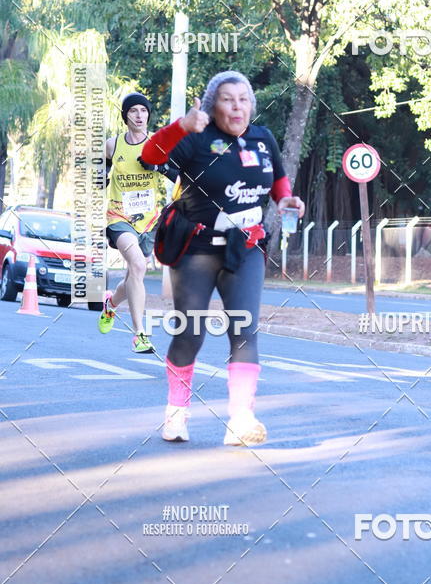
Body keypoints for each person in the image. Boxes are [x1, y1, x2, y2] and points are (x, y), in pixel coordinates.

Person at [140, 71, 305, 446]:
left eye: (244, 99)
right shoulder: (195, 138)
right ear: (213, 105)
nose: (237, 106)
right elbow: (150, 155)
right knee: (191, 333)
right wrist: (181, 125)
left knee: (244, 329)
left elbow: (278, 179)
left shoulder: (263, 139)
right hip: (196, 249)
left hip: (245, 248)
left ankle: (241, 418)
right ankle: (176, 413)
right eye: (228, 99)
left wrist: (285, 200)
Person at [98, 92, 178, 352]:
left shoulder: (158, 143)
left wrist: (157, 167)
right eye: (133, 111)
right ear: (126, 116)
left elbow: (179, 176)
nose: (139, 115)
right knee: (138, 266)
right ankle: (139, 334)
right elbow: (95, 172)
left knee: (134, 274)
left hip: (149, 219)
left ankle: (111, 304)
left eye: (143, 111)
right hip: (119, 217)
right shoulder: (112, 145)